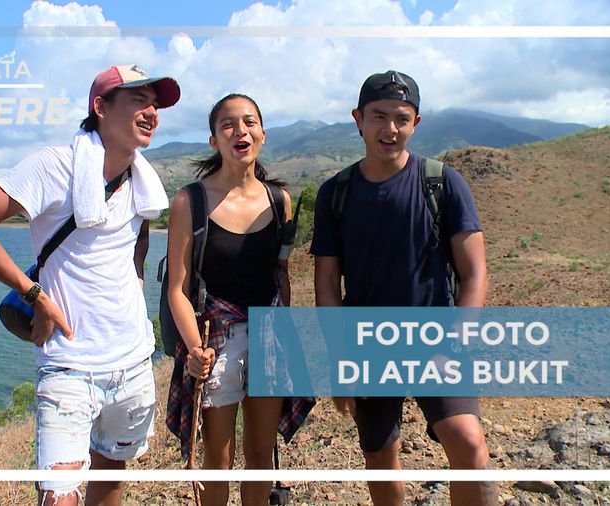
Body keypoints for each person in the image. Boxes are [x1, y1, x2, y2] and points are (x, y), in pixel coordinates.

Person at [0, 64, 180, 506]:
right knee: (58, 496)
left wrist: (130, 285)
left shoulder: (142, 180)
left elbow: (138, 239)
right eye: (137, 100)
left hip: (132, 359)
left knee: (111, 478)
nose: (151, 111)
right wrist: (36, 295)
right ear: (100, 107)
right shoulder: (54, 166)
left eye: (155, 103)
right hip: (70, 365)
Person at [311, 70, 497, 506]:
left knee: (468, 444)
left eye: (401, 117)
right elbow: (326, 282)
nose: (389, 128)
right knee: (380, 455)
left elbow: (474, 273)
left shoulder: (443, 184)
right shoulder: (335, 194)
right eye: (378, 116)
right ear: (358, 119)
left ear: (415, 122)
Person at [164, 93, 314, 506]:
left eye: (249, 122)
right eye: (228, 124)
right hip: (216, 340)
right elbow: (176, 287)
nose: (240, 131)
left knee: (261, 456)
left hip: (269, 335)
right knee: (217, 458)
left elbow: (280, 275)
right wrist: (195, 348)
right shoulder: (189, 201)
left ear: (263, 133)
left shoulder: (278, 200)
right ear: (214, 139)